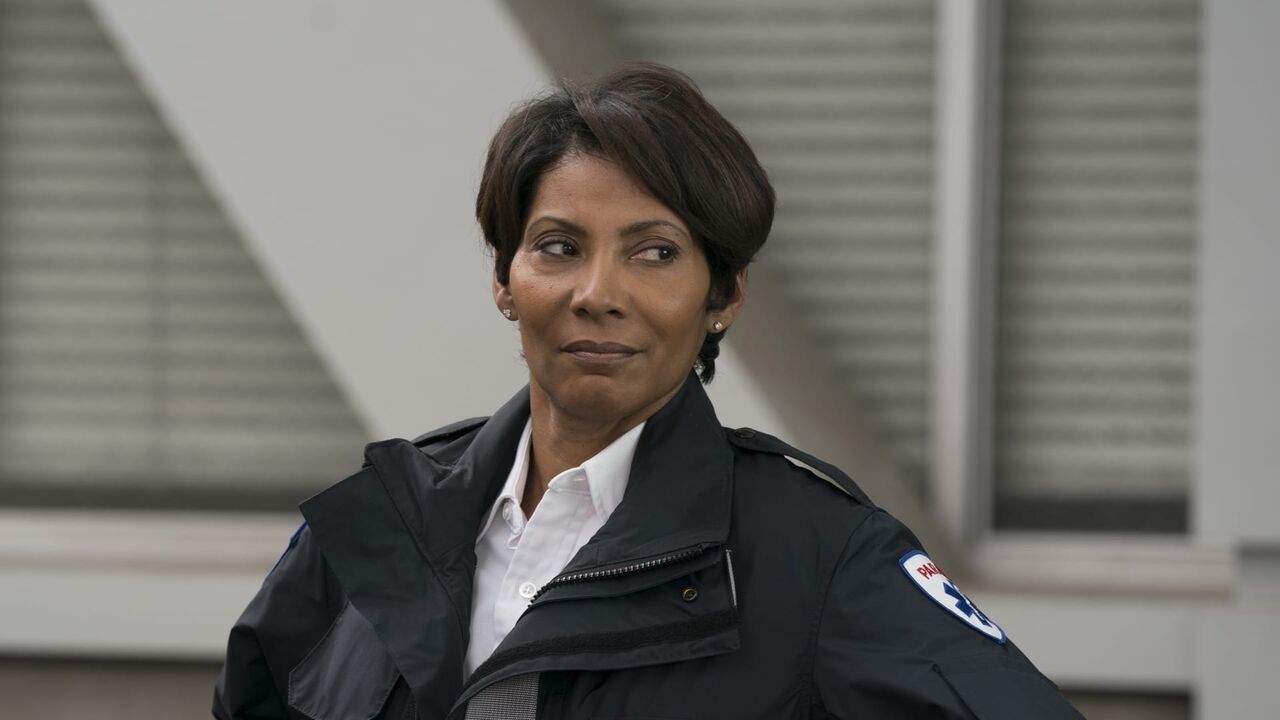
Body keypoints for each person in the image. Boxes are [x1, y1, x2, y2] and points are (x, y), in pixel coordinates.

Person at [212, 63, 1082, 719]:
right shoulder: (379, 521)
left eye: (655, 252)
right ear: (505, 280)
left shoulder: (821, 557)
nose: (598, 292)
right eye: (558, 246)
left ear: (723, 295)